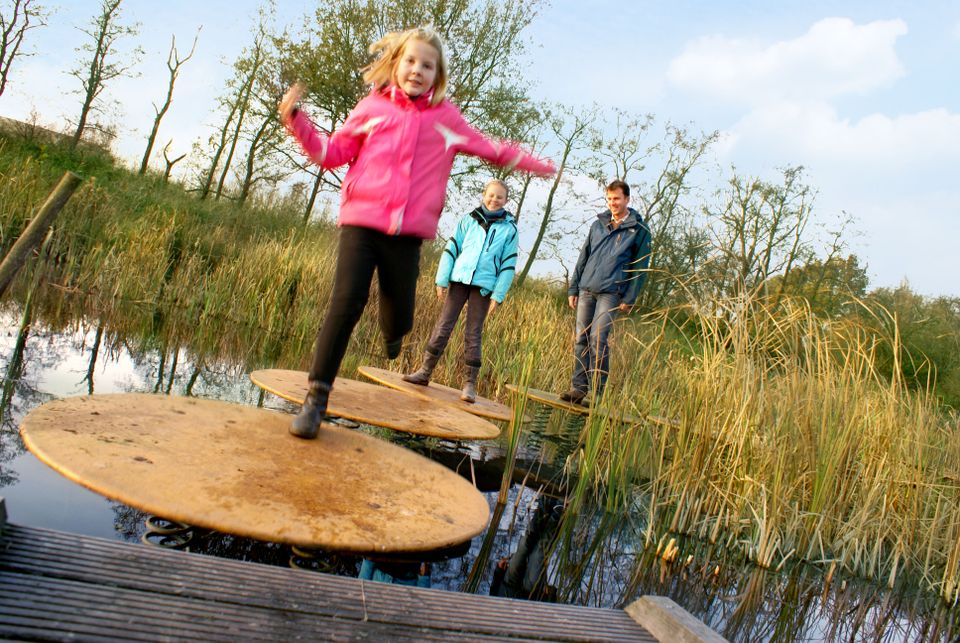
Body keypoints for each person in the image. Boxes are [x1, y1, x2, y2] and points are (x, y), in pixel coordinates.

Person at [278, 27, 554, 439]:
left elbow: (492, 148)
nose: (417, 70)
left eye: (427, 65)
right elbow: (329, 154)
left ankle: (393, 337)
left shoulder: (446, 119)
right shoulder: (371, 108)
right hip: (362, 223)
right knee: (346, 302)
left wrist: (540, 164)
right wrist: (298, 121)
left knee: (400, 314)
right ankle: (316, 398)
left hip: (407, 236)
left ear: (437, 75)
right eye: (410, 61)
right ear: (396, 63)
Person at [402, 179, 518, 403]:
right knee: (444, 325)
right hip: (459, 279)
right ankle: (425, 372)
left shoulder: (510, 229)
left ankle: (469, 385)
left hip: (484, 286)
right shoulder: (468, 220)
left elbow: (508, 264)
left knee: (473, 333)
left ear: (506, 200)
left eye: (499, 197)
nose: (494, 200)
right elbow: (452, 248)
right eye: (491, 195)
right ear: (484, 195)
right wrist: (441, 279)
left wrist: (498, 294)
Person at [559, 180, 651, 405]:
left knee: (598, 339)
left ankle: (596, 393)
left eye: (617, 199)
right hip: (587, 288)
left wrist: (630, 297)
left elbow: (641, 266)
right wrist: (574, 287)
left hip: (612, 292)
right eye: (609, 199)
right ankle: (578, 388)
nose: (613, 203)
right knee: (581, 338)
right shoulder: (597, 225)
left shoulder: (638, 230)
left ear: (627, 199)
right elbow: (584, 256)